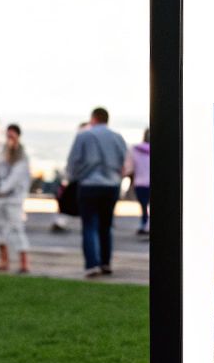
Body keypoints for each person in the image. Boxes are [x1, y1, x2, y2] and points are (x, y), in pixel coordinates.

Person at [62, 108, 129, 277]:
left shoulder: (84, 136)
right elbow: (125, 163)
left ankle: (92, 264)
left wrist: (73, 178)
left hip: (89, 185)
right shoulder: (117, 137)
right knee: (106, 225)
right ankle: (106, 263)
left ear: (93, 118)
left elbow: (73, 162)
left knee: (89, 225)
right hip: (112, 185)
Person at [0, 124, 32, 274]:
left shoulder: (22, 156)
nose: (9, 140)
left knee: (16, 228)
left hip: (13, 199)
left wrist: (2, 189)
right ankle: (4, 260)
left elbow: (15, 178)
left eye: (12, 136)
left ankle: (24, 263)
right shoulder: (2, 153)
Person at [125, 127, 151, 237]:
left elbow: (129, 167)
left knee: (143, 206)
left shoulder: (135, 149)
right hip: (152, 182)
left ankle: (144, 223)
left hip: (140, 182)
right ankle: (147, 225)